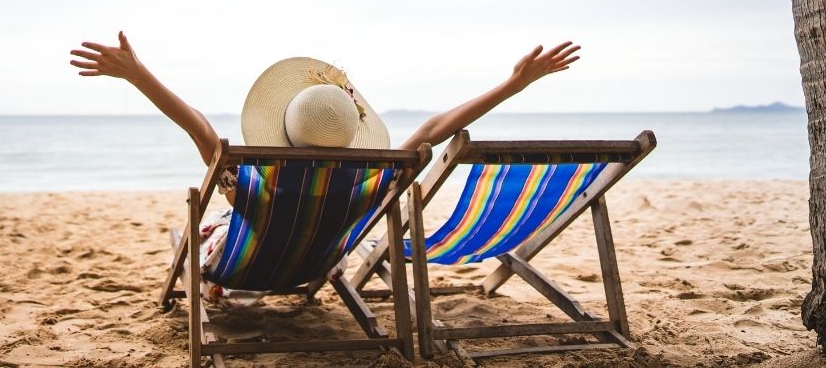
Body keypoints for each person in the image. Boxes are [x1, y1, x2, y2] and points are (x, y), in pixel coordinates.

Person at [69, 31, 579, 307]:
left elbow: (201, 131)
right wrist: (514, 85)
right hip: (315, 267)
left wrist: (138, 76)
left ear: (280, 130)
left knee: (199, 230)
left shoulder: (254, 183)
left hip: (238, 266)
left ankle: (211, 287)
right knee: (249, 227)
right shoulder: (370, 183)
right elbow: (432, 131)